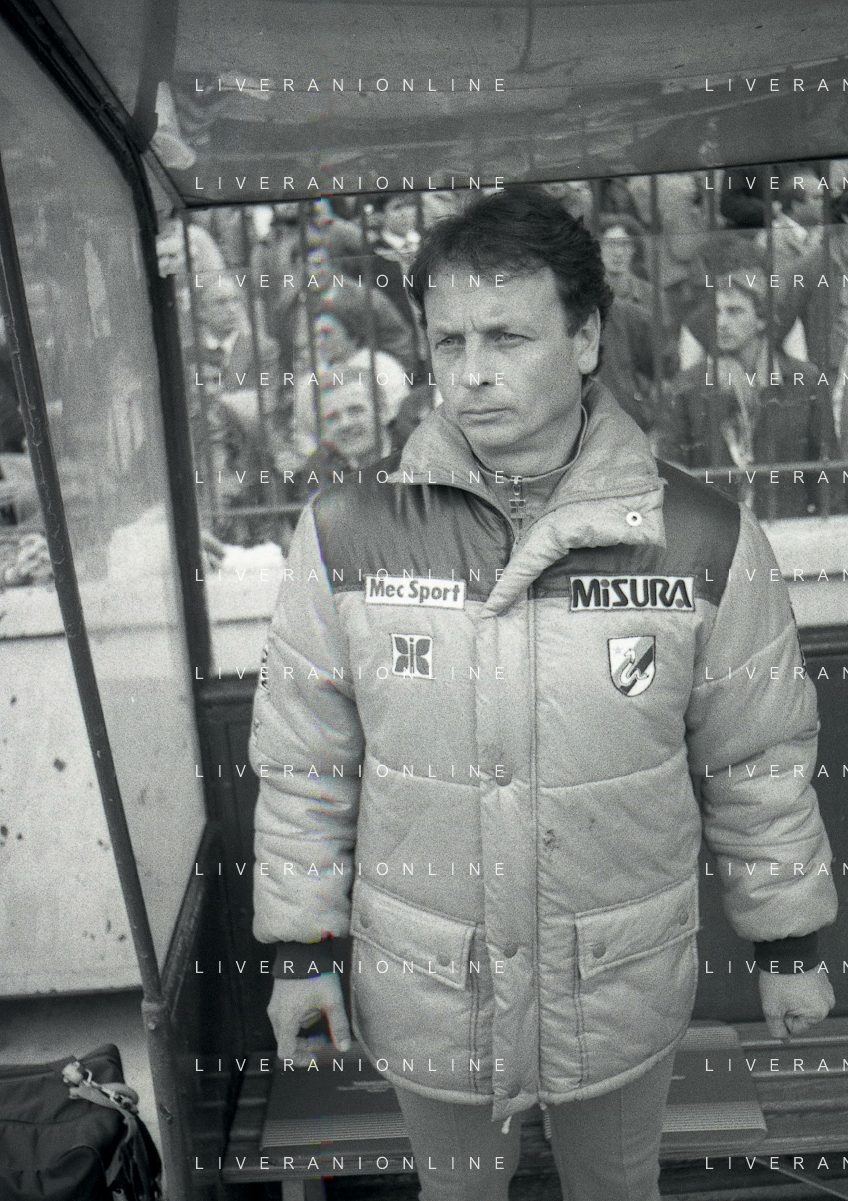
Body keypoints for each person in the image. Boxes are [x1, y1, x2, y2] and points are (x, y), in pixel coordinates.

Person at [249, 187, 837, 1201]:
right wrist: (302, 953)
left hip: (616, 984)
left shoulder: (700, 535)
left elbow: (757, 760)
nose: (471, 372)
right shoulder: (348, 531)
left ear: (586, 337)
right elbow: (306, 760)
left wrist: (788, 945)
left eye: (507, 337)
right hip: (431, 983)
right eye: (447, 341)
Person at [658, 271, 838, 517]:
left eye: (735, 312)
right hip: (719, 528)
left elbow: (829, 473)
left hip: (788, 527)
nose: (722, 323)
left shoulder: (805, 381)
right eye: (717, 312)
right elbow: (671, 470)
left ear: (761, 319)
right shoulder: (688, 386)